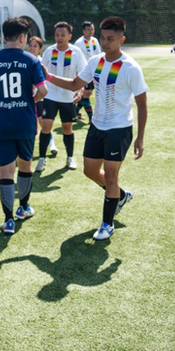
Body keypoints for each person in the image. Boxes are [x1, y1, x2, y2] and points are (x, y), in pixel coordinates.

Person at [47, 16, 148, 241]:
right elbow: (75, 85)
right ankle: (121, 196)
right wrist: (48, 77)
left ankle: (106, 224)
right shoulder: (96, 62)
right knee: (90, 172)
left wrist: (140, 138)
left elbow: (142, 104)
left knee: (111, 175)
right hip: (97, 126)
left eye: (110, 39)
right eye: (102, 38)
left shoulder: (131, 67)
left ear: (122, 39)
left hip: (119, 128)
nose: (105, 43)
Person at [0, 17, 48, 236]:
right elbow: (43, 91)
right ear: (22, 37)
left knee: (5, 171)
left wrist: (1, 102)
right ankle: (23, 208)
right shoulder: (32, 60)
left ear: (3, 36)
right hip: (25, 123)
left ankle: (8, 221)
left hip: (1, 123)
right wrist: (30, 100)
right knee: (25, 166)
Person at [38, 22, 87, 172]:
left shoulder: (76, 52)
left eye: (63, 35)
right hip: (50, 95)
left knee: (67, 128)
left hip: (67, 96)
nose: (59, 38)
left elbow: (83, 75)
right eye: (57, 35)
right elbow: (41, 72)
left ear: (69, 36)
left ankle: (70, 157)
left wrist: (80, 90)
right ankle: (41, 158)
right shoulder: (49, 51)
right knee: (46, 126)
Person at [27, 35, 55, 158]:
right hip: (29, 97)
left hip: (40, 96)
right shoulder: (26, 60)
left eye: (35, 46)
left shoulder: (41, 62)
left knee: (43, 123)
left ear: (40, 48)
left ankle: (52, 144)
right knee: (33, 123)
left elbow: (43, 82)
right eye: (31, 45)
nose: (32, 48)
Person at [74, 21, 100, 122]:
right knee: (86, 93)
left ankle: (75, 111)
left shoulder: (95, 40)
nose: (91, 31)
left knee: (87, 93)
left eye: (92, 29)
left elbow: (98, 54)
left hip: (93, 71)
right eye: (88, 30)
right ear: (83, 31)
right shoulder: (79, 43)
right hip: (83, 71)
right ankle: (91, 118)